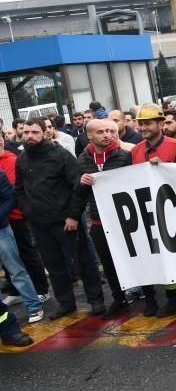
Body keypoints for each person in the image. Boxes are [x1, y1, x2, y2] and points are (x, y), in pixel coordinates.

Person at [15, 118, 105, 319]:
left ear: (45, 133)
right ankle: (66, 303)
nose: (30, 136)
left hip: (66, 222)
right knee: (54, 267)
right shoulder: (22, 159)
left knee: (83, 262)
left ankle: (96, 300)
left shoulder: (61, 156)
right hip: (39, 223)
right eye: (26, 132)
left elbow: (78, 188)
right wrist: (27, 211)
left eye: (34, 132)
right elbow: (20, 189)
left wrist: (73, 216)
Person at [131, 103, 176, 316]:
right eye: (140, 124)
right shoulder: (137, 151)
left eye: (147, 123)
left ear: (159, 123)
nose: (143, 128)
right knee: (164, 255)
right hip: (152, 212)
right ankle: (175, 298)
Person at [70, 119, 133, 318]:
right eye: (100, 132)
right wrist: (73, 214)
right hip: (98, 221)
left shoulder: (124, 156)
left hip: (124, 219)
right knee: (108, 263)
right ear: (89, 135)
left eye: (109, 131)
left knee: (133, 259)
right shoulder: (82, 159)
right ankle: (119, 298)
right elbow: (79, 193)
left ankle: (148, 296)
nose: (106, 135)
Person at [0, 141, 48, 300]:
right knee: (8, 259)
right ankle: (15, 292)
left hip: (15, 216)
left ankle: (42, 290)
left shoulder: (11, 160)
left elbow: (14, 191)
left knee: (27, 253)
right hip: (5, 219)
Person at [0, 170, 46, 323]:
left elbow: (10, 198)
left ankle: (34, 307)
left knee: (16, 270)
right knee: (16, 271)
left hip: (1, 230)